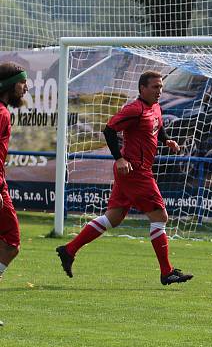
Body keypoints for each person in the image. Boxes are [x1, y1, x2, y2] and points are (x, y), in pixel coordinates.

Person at [56, 70, 193, 286]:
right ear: (142, 89)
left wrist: (167, 141)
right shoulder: (134, 109)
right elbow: (109, 130)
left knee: (114, 218)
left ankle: (69, 249)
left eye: (161, 87)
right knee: (160, 217)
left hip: (134, 172)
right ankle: (166, 272)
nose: (159, 91)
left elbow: (158, 126)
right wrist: (119, 158)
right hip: (135, 171)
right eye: (155, 87)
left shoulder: (154, 107)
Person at [0, 63, 29, 325]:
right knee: (11, 242)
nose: (26, 87)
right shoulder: (1, 114)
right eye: (22, 82)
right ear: (9, 85)